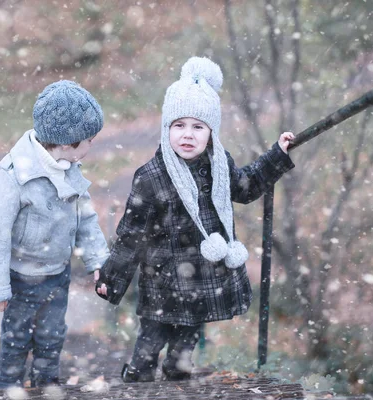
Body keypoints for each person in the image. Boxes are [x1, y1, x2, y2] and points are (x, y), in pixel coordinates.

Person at [95, 56, 295, 382]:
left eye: (198, 127)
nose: (188, 135)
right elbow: (131, 235)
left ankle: (177, 381)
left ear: (211, 133)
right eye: (179, 125)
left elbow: (246, 186)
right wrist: (111, 278)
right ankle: (137, 383)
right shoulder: (151, 176)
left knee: (184, 349)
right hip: (161, 282)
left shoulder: (218, 165)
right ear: (166, 129)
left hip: (201, 281)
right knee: (150, 343)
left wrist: (277, 156)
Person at [0, 80, 109, 389]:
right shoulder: (12, 177)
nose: (92, 146)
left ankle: (47, 386)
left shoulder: (69, 166)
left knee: (52, 335)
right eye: (90, 140)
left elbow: (85, 217)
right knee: (17, 338)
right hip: (22, 277)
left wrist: (98, 259)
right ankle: (8, 388)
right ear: (68, 142)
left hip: (57, 273)